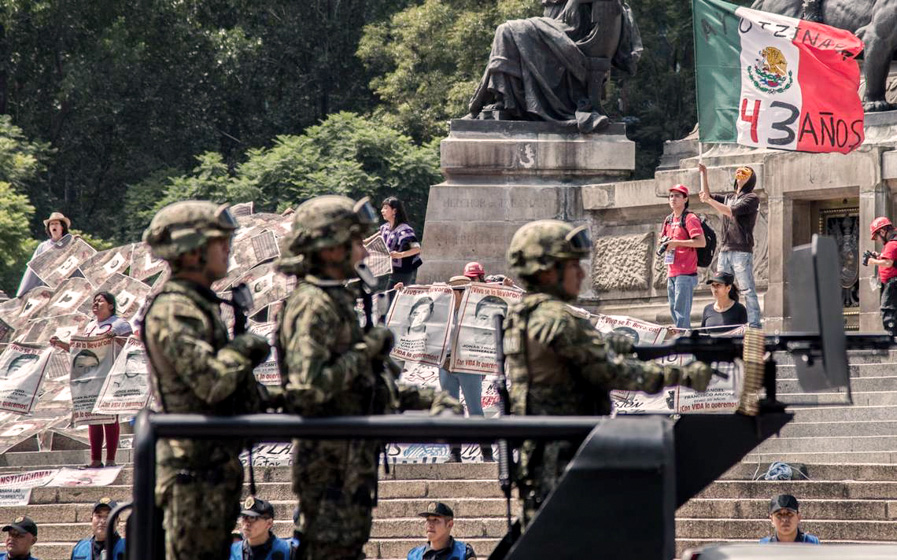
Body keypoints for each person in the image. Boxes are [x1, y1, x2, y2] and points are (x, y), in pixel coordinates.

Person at [275, 195, 461, 560]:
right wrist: (367, 351)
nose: (363, 253)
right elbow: (310, 388)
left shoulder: (336, 300)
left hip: (348, 470)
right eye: (356, 243)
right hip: (329, 472)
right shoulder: (312, 305)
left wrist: (426, 400)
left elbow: (359, 386)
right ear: (331, 248)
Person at [503, 219, 712, 526]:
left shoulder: (523, 314)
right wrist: (682, 375)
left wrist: (606, 343)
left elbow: (569, 364)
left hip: (544, 454)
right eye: (573, 264)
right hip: (566, 458)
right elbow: (611, 373)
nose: (582, 273)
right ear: (547, 269)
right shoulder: (557, 318)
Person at [141, 200, 271, 560]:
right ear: (192, 250)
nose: (227, 250)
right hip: (191, 474)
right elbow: (211, 382)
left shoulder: (199, 304)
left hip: (209, 470)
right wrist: (245, 347)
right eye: (220, 242)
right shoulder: (175, 309)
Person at [467, 0, 641, 133]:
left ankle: (500, 102)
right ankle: (506, 101)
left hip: (575, 34)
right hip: (554, 28)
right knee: (507, 32)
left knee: (506, 31)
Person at [51, 292, 133, 469]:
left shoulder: (120, 324)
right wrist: (60, 344)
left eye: (100, 301)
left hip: (111, 375)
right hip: (90, 377)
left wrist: (116, 338)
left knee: (110, 417)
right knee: (92, 417)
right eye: (94, 301)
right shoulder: (89, 327)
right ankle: (95, 460)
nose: (95, 303)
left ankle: (111, 459)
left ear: (111, 305)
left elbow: (131, 346)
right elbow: (78, 351)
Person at [698, 163, 762, 328]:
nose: (741, 172)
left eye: (746, 172)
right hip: (725, 249)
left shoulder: (751, 198)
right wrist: (704, 174)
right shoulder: (729, 196)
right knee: (722, 286)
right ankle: (728, 320)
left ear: (750, 179)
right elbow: (707, 195)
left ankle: (754, 324)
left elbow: (730, 211)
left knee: (747, 289)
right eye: (739, 171)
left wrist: (709, 201)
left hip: (741, 249)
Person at [441, 276, 493, 464]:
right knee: (451, 409)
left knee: (475, 409)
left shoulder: (475, 313)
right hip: (446, 364)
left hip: (468, 364)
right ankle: (454, 453)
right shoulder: (443, 310)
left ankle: (486, 453)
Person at [659, 184, 706, 329]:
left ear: (685, 199)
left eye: (677, 196)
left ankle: (684, 343)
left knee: (681, 313)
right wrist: (665, 243)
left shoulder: (690, 218)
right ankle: (681, 337)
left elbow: (701, 242)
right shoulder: (668, 219)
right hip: (672, 270)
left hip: (686, 272)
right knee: (674, 310)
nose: (673, 198)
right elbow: (663, 238)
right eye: (671, 196)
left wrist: (676, 243)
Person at [16, 212, 73, 297]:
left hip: (66, 286)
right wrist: (23, 293)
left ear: (62, 227)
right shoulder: (43, 247)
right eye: (51, 224)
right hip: (46, 289)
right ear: (49, 228)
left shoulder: (71, 244)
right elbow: (33, 270)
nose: (54, 226)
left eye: (57, 223)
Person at [378, 197, 422, 296]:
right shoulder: (385, 228)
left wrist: (400, 255)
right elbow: (378, 236)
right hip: (387, 270)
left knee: (390, 302)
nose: (382, 211)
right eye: (382, 208)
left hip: (401, 273)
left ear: (394, 211)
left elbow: (417, 249)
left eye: (385, 208)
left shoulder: (405, 230)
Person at [406, 502, 475, 560]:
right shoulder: (414, 556)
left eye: (436, 520)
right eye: (428, 520)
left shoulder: (464, 553)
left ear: (450, 525)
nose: (430, 525)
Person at [865, 217, 897, 335]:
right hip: (892, 283)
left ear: (883, 231)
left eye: (877, 236)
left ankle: (892, 338)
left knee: (888, 310)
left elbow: (889, 263)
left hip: (893, 284)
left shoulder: (892, 244)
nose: (877, 240)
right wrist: (879, 256)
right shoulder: (893, 243)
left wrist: (873, 261)